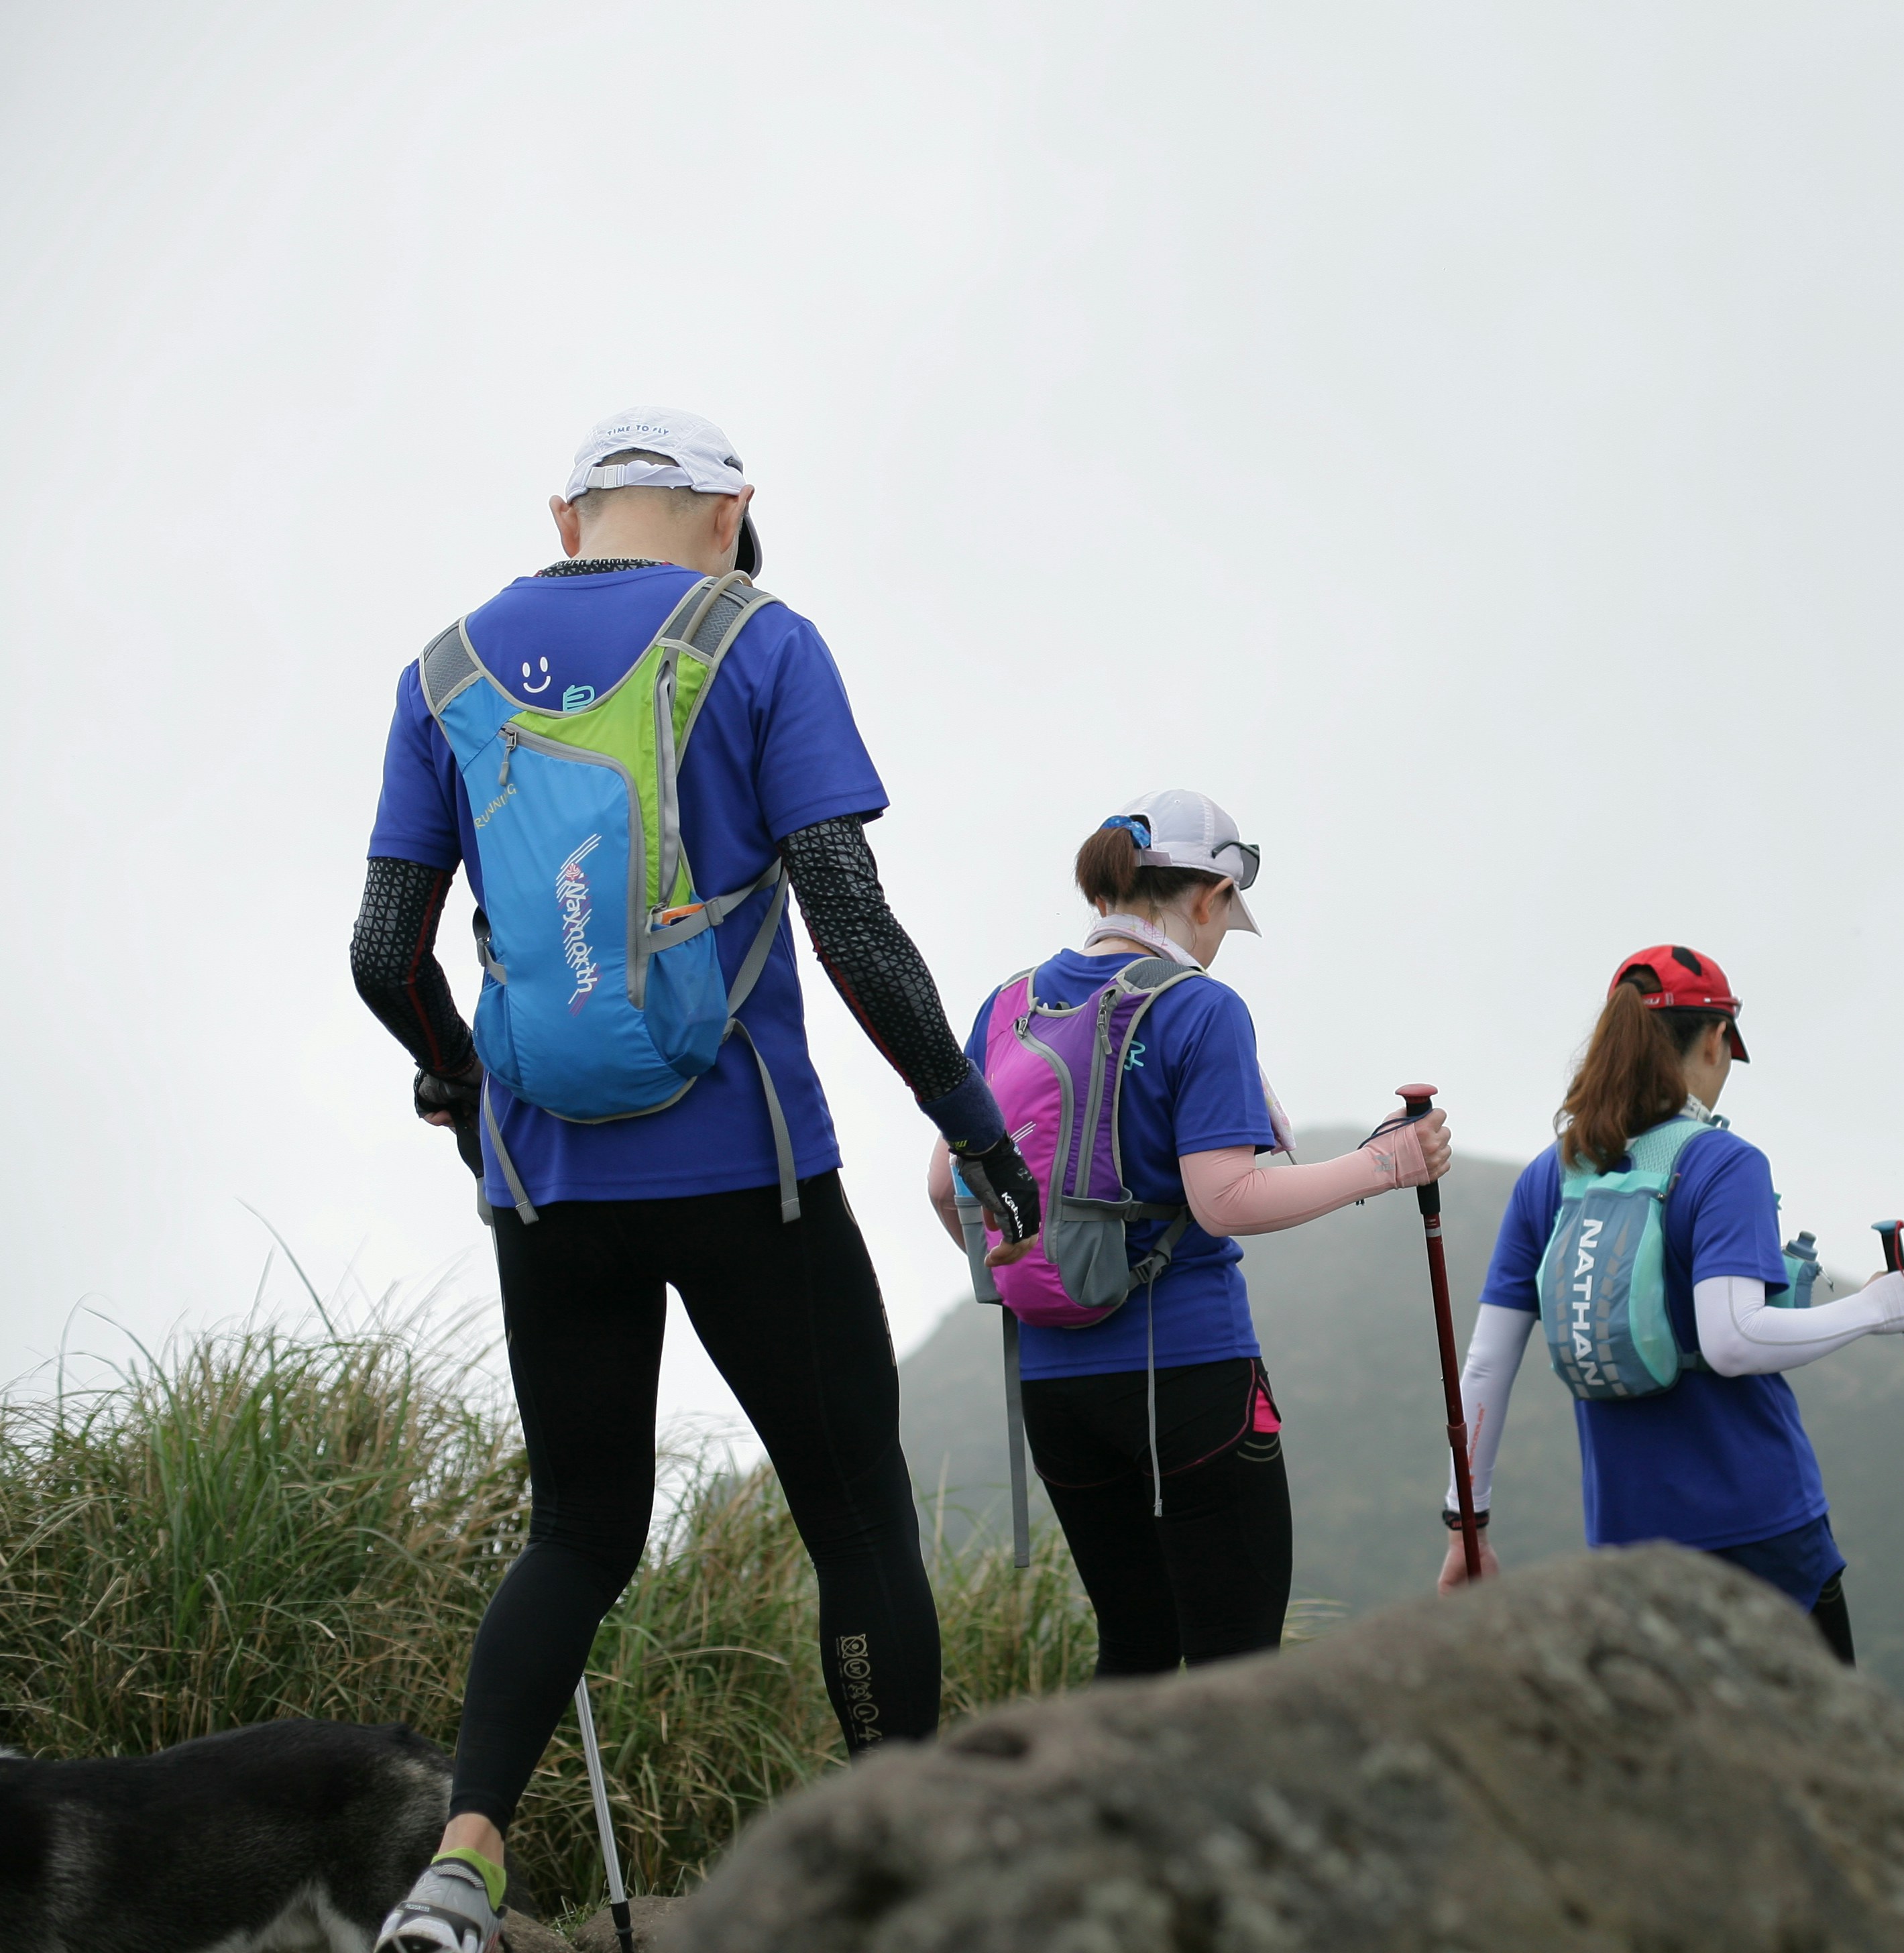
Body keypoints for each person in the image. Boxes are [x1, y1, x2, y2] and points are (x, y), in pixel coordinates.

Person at [353, 410, 1040, 1953]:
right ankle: (900, 1882)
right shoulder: (761, 640)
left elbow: (377, 952)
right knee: (857, 1520)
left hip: (547, 1181)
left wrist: (465, 1085)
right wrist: (973, 1124)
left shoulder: (443, 672)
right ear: (732, 513)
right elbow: (853, 927)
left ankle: (459, 1872)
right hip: (756, 1171)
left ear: (567, 512)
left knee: (577, 1533)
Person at [928, 790, 1451, 1677]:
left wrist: (1050, 1269)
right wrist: (1388, 1166)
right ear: (1206, 896)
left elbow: (948, 1186)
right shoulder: (1199, 1008)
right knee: (1234, 1668)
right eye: (1224, 917)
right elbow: (1226, 1199)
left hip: (1054, 1386)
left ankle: (1099, 1817)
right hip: (1189, 1372)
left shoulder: (1007, 1004)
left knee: (1133, 1649)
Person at [1435, 946, 1904, 1658]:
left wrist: (1468, 1528)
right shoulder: (1723, 1162)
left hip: (1627, 1540)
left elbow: (1484, 1365)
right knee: (1811, 1758)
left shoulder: (1552, 1175)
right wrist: (1879, 1307)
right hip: (1762, 1529)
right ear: (1715, 1039)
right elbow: (1732, 1340)